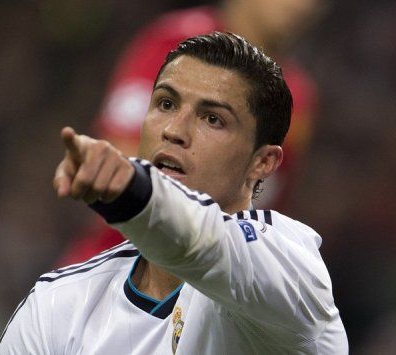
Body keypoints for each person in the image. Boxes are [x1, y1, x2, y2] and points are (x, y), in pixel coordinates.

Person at [0, 32, 348, 353]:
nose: (174, 131)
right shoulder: (58, 306)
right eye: (166, 104)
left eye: (213, 119)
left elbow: (207, 244)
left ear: (263, 163)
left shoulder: (290, 273)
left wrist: (131, 189)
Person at [57, 0, 327, 266]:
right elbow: (121, 154)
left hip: (212, 287)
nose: (303, 6)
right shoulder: (175, 40)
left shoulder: (298, 99)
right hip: (118, 265)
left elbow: (266, 209)